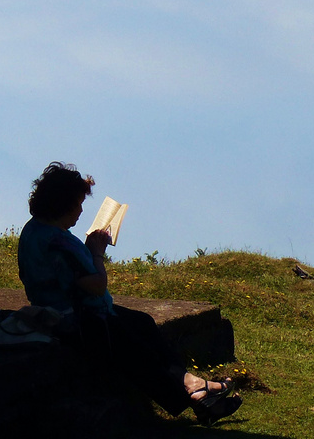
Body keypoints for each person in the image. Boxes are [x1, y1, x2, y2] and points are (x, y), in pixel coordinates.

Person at [17, 162, 242, 425]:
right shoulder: (58, 242)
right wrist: (97, 253)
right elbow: (95, 284)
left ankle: (195, 388)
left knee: (142, 323)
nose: (80, 210)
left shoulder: (36, 230)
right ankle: (195, 392)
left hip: (70, 311)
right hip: (74, 320)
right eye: (77, 204)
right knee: (131, 347)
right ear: (62, 204)